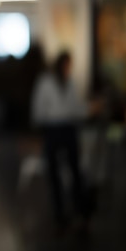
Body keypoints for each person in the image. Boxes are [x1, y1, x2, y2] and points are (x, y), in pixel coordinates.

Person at [31, 51, 97, 232]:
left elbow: (75, 108)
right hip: (53, 131)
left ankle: (80, 211)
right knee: (54, 174)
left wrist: (88, 110)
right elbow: (38, 112)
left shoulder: (70, 83)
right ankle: (60, 213)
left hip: (68, 129)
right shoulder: (45, 82)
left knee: (75, 171)